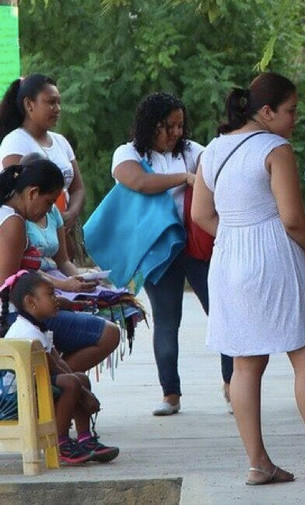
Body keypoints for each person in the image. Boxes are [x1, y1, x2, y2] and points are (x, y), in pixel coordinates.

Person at [192, 73, 305, 488]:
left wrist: (237, 234)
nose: (294, 119)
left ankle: (259, 462)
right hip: (273, 258)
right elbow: (294, 220)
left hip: (228, 259)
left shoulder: (213, 150)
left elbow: (200, 215)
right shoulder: (275, 148)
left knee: (245, 364)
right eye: (291, 110)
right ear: (266, 112)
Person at [112, 92, 215, 416]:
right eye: (167, 126)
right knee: (168, 321)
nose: (175, 133)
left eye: (180, 126)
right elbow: (139, 182)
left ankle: (232, 385)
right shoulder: (127, 153)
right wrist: (185, 178)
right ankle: (170, 393)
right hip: (160, 252)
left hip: (197, 246)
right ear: (149, 125)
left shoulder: (194, 151)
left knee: (223, 312)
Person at [0, 159, 119, 373]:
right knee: (109, 333)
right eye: (48, 203)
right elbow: (9, 281)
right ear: (32, 193)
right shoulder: (13, 222)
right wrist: (59, 293)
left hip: (17, 310)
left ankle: (56, 385)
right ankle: (53, 387)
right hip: (12, 315)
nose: (47, 212)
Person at [0, 270, 120, 465]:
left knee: (79, 378)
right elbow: (53, 370)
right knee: (70, 383)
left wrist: (83, 389)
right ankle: (60, 442)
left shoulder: (40, 328)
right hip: (12, 400)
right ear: (31, 302)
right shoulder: (26, 332)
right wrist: (85, 395)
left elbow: (60, 363)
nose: (57, 299)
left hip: (30, 389)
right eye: (51, 294)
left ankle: (85, 439)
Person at [0, 74, 86, 261]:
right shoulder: (15, 142)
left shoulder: (61, 142)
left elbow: (78, 188)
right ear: (29, 105)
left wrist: (70, 214)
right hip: (34, 236)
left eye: (59, 103)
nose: (57, 109)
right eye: (51, 102)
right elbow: (21, 195)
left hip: (61, 228)